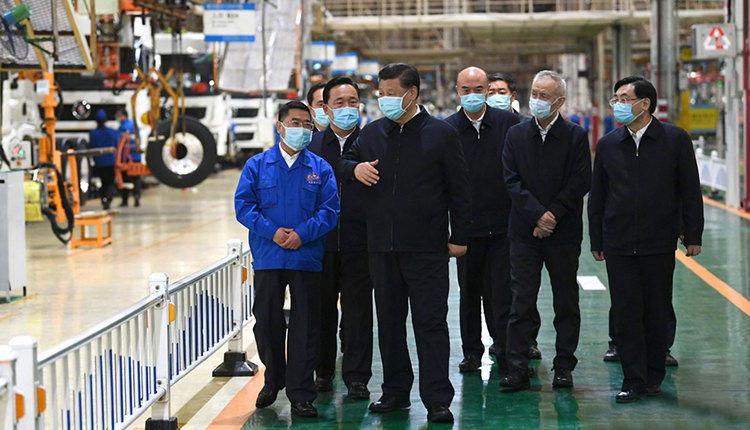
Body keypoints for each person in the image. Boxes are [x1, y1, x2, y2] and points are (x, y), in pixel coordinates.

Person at [336, 62, 472, 424]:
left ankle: (437, 398)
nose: (384, 100)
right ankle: (395, 392)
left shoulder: (441, 134)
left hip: (427, 249)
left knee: (431, 325)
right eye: (381, 93)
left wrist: (460, 237)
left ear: (412, 94)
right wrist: (354, 169)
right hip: (381, 248)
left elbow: (460, 190)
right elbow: (343, 162)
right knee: (390, 324)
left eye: (391, 94)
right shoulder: (372, 133)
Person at [588, 76, 703, 403]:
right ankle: (633, 380)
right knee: (626, 315)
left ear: (645, 103)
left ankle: (654, 376)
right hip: (619, 242)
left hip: (659, 241)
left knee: (656, 311)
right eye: (616, 99)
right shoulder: (608, 144)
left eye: (624, 99)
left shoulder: (674, 139)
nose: (618, 105)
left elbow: (690, 190)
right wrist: (597, 239)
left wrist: (693, 234)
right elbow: (598, 196)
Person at [235, 100, 339, 418]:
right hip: (269, 256)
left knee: (306, 327)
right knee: (267, 322)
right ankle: (274, 379)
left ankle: (301, 392)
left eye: (307, 125)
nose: (302, 129)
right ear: (279, 126)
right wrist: (272, 232)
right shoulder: (257, 165)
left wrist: (302, 235)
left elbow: (330, 211)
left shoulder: (320, 169)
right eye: (295, 123)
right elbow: (244, 206)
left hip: (306, 257)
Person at [500, 70, 591, 391]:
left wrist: (552, 216)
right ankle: (517, 367)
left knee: (566, 302)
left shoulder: (576, 136)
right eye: (535, 94)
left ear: (559, 102)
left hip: (563, 234)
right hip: (524, 233)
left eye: (545, 96)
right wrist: (538, 216)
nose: (536, 100)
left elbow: (580, 181)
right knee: (521, 302)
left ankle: (564, 366)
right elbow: (511, 180)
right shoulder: (515, 135)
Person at [444, 67, 519, 374]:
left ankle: (504, 349)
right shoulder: (447, 129)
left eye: (478, 89)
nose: (472, 95)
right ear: (457, 92)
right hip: (466, 228)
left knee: (502, 294)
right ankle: (471, 352)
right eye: (466, 90)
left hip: (504, 227)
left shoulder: (509, 125)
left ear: (488, 90)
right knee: (469, 293)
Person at [307, 77, 374, 399]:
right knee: (321, 310)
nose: (347, 108)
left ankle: (357, 376)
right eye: (339, 103)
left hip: (361, 243)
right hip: (320, 244)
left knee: (358, 313)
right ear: (326, 107)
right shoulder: (312, 146)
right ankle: (322, 371)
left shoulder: (374, 142)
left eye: (353, 102)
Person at [89, 109, 118, 210]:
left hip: (99, 163)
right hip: (110, 162)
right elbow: (116, 145)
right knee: (110, 182)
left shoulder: (93, 134)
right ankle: (108, 199)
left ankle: (104, 199)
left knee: (103, 182)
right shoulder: (112, 132)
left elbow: (92, 147)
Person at [115, 108, 142, 207]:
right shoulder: (133, 125)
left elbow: (119, 142)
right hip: (136, 156)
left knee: (125, 178)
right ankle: (137, 197)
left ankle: (125, 200)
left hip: (126, 158)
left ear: (124, 115)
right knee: (136, 178)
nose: (117, 118)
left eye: (119, 115)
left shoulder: (124, 127)